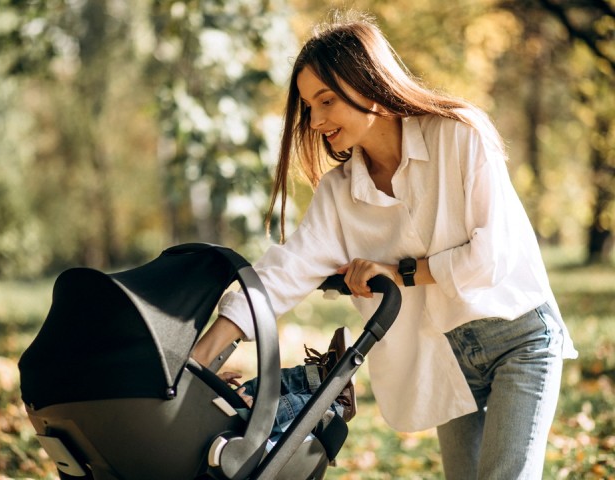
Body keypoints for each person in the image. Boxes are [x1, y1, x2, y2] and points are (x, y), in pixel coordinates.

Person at [192, 10, 577, 479]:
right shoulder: (338, 194)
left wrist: (400, 272)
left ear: (367, 83)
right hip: (446, 361)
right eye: (308, 106)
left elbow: (490, 256)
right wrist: (198, 361)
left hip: (519, 339)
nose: (314, 120)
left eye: (326, 100)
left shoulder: (460, 135)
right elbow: (283, 273)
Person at [216, 326, 356, 438]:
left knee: (255, 388)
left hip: (210, 408)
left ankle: (316, 378)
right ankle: (337, 406)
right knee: (273, 408)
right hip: (226, 430)